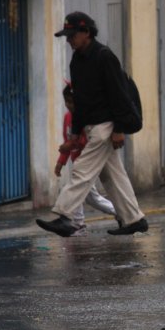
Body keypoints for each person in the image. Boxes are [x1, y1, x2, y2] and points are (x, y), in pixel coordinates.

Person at [37, 12, 148, 237]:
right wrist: (74, 136)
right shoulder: (77, 61)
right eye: (67, 37)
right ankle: (134, 219)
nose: (69, 41)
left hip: (106, 126)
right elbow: (80, 102)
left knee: (82, 170)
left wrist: (118, 129)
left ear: (86, 32)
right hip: (91, 126)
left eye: (72, 36)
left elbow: (119, 95)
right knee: (113, 175)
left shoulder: (104, 56)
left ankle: (65, 216)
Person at [54, 83, 118, 232]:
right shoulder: (67, 118)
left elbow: (87, 140)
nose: (69, 105)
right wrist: (60, 162)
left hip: (89, 162)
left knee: (81, 192)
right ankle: (79, 222)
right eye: (67, 102)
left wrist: (71, 145)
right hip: (77, 162)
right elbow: (67, 139)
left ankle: (79, 222)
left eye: (72, 102)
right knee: (87, 195)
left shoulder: (87, 119)